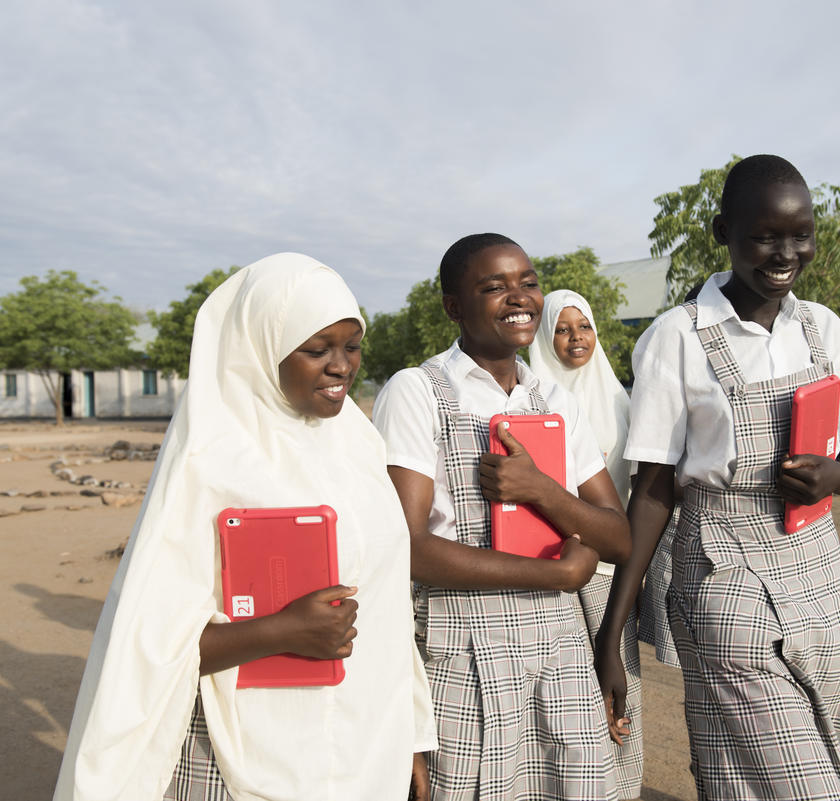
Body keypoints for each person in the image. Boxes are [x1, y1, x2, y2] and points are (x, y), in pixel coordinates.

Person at [54, 254, 436, 801]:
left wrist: (409, 735)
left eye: (352, 346)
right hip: (246, 760)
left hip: (365, 748)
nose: (341, 366)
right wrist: (280, 631)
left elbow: (386, 611)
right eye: (316, 349)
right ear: (263, 347)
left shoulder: (359, 444)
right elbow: (150, 648)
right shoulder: (212, 460)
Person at [595, 155, 840, 801]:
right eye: (764, 236)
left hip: (818, 565)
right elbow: (654, 491)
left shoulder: (823, 329)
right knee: (791, 781)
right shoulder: (677, 337)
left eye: (800, 234)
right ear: (723, 231)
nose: (785, 253)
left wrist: (834, 474)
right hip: (722, 573)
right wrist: (612, 632)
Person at [373, 233, 631, 801]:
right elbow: (408, 547)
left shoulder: (554, 402)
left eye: (528, 283)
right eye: (494, 287)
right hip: (460, 645)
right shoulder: (418, 393)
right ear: (453, 307)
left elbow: (618, 536)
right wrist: (558, 573)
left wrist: (544, 492)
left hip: (558, 643)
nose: (520, 298)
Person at [527, 289, 643, 799]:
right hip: (550, 565)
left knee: (618, 684)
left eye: (585, 326)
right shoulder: (533, 395)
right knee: (566, 698)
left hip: (612, 569)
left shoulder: (619, 399)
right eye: (561, 328)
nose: (576, 338)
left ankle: (623, 786)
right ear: (542, 337)